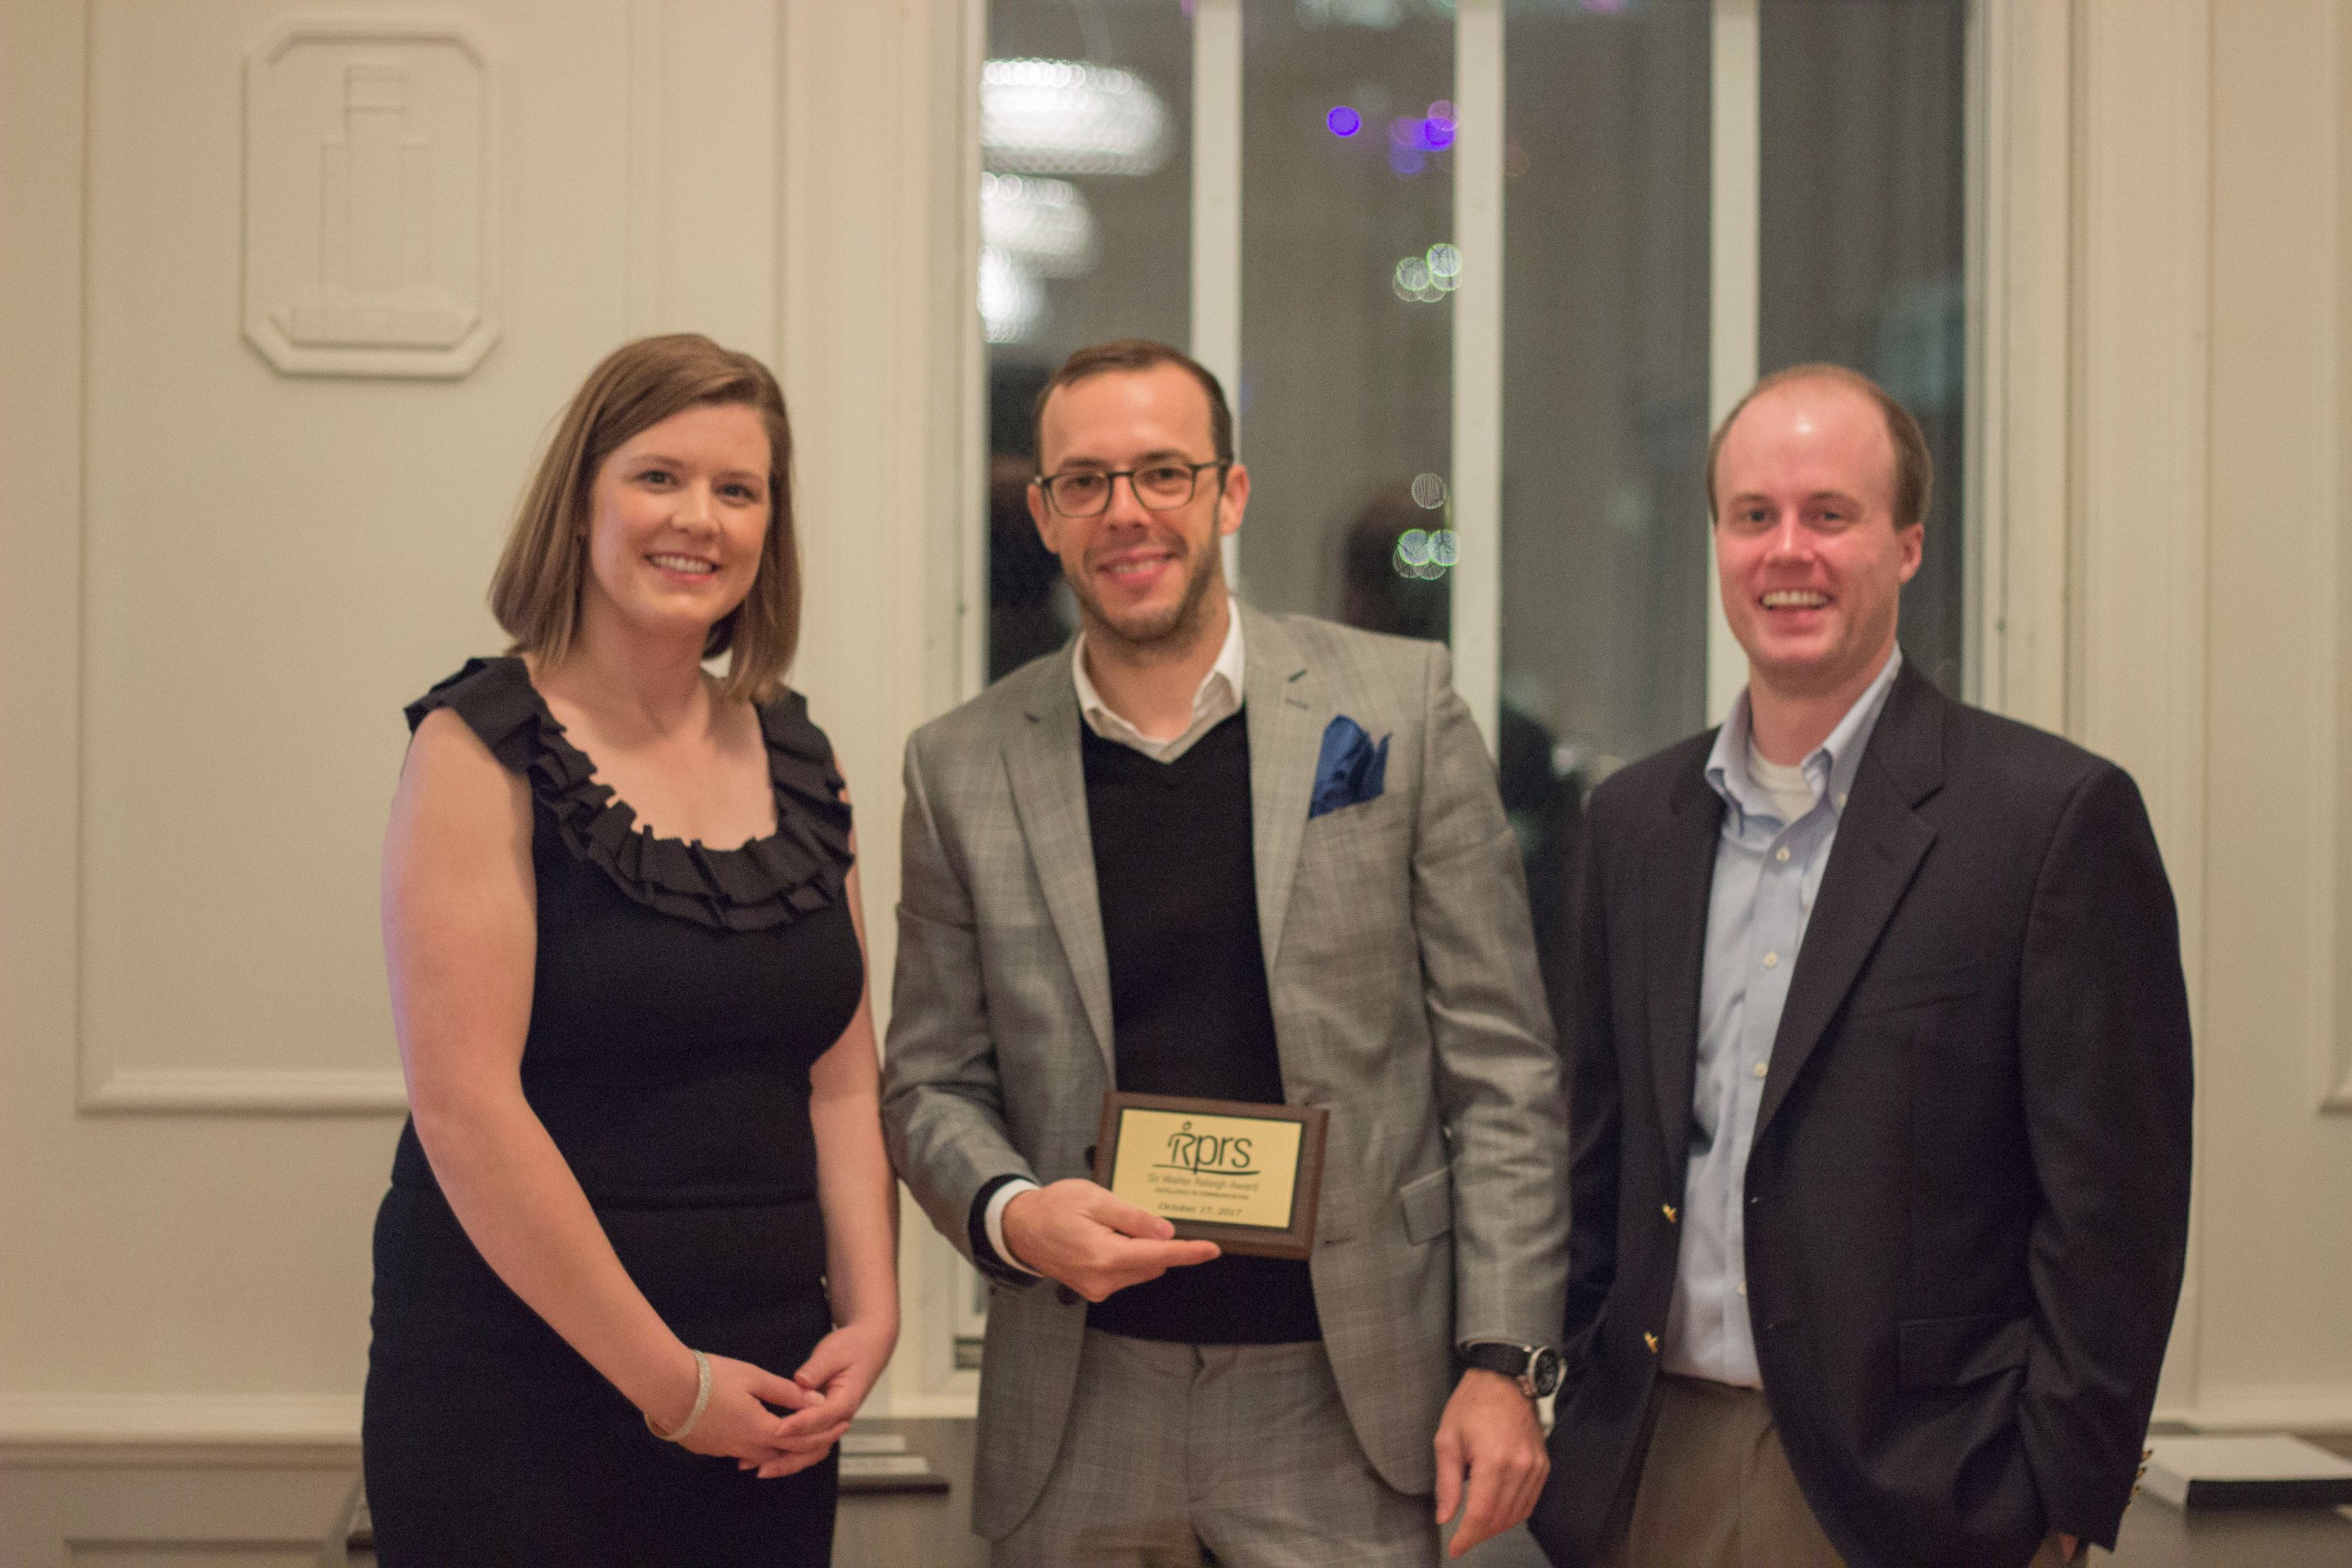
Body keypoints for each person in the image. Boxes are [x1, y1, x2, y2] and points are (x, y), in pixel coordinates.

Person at [882, 338, 1570, 1565]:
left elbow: (1502, 1069)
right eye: (1085, 482)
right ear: (1044, 515)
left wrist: (1505, 1359)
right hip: (1081, 1404)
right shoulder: (959, 767)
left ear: (1229, 493)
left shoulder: (1401, 708)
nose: (1126, 512)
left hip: (1347, 1399)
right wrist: (1013, 1213)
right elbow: (930, 1082)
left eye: (1163, 472)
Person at [1530, 365, 2193, 1568]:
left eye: (1830, 514)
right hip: (1646, 1472)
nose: (1788, 551)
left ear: (1907, 545)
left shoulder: (2051, 820)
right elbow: (1600, 1150)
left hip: (1925, 1495)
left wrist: (2053, 1499)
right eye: (1754, 515)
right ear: (1720, 542)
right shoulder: (1634, 824)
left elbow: (2115, 1214)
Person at [361, 334, 897, 1565]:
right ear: (581, 501)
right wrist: (672, 1386)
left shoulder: (803, 756)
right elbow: (466, 1108)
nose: (698, 518)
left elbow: (842, 1080)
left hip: (773, 1381)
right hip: (518, 1381)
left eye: (738, 489)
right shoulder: (477, 746)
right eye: (660, 476)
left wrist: (872, 1314)